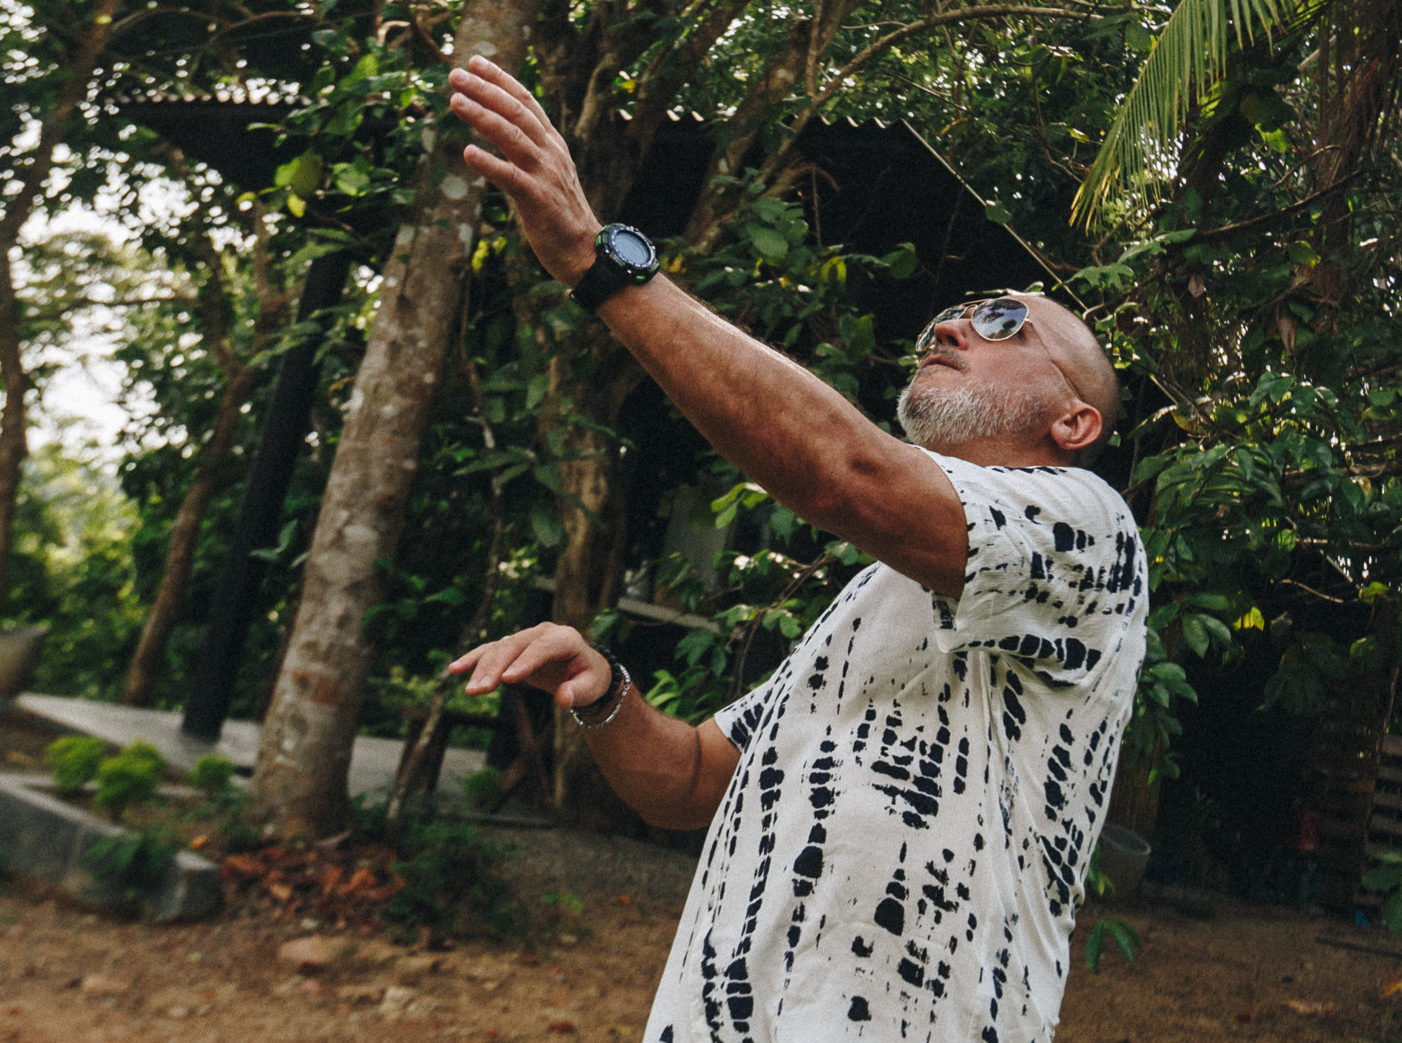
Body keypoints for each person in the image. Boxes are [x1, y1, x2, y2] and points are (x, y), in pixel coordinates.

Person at [445, 55, 1147, 1043]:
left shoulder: (1087, 532)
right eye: (956, 312)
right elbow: (689, 780)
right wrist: (602, 687)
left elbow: (841, 472)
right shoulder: (881, 591)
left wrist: (597, 260)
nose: (950, 322)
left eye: (1003, 320)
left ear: (1073, 421)